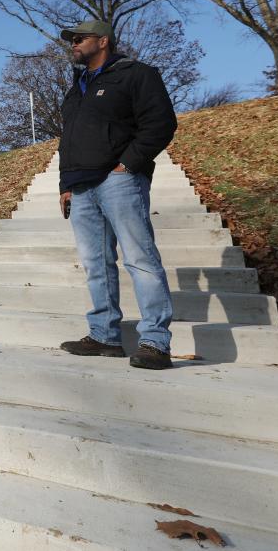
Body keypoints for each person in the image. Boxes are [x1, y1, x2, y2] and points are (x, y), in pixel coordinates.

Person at [56, 20, 178, 370]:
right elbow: (69, 140)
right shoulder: (76, 87)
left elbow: (161, 123)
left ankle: (155, 341)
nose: (74, 44)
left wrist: (127, 165)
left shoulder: (136, 74)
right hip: (80, 188)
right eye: (72, 40)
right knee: (96, 265)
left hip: (118, 182)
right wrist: (66, 184)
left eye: (80, 39)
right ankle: (105, 336)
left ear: (103, 41)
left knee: (140, 260)